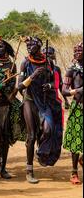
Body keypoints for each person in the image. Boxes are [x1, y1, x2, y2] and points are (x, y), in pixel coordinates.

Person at [18, 37, 63, 184]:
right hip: (29, 101)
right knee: (31, 136)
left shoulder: (48, 62)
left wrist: (49, 86)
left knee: (48, 129)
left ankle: (41, 153)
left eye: (32, 45)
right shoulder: (25, 63)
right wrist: (33, 76)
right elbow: (19, 87)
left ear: (39, 46)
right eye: (27, 45)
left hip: (44, 102)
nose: (29, 47)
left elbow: (53, 81)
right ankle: (29, 171)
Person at [0, 37, 23, 179]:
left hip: (7, 103)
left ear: (6, 48)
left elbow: (13, 83)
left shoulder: (12, 65)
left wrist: (7, 90)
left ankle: (3, 167)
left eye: (0, 47)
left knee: (6, 135)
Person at [62, 42, 83, 185]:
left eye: (79, 50)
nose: (76, 53)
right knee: (76, 141)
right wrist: (78, 90)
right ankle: (74, 172)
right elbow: (64, 90)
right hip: (78, 108)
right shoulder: (72, 70)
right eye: (75, 50)